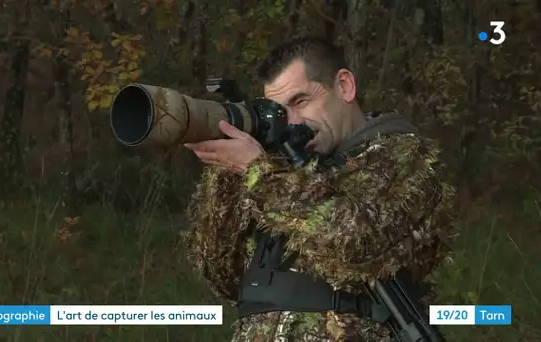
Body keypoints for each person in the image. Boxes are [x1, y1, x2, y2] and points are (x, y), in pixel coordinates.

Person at [182, 36, 456, 341]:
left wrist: (259, 174)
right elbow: (223, 277)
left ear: (344, 86)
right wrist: (229, 172)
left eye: (300, 101)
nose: (293, 121)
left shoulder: (402, 160)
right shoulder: (280, 173)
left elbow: (357, 244)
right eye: (280, 111)